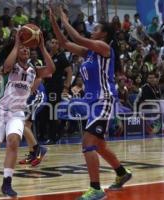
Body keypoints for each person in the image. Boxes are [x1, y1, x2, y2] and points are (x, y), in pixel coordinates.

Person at [49, 7, 132, 200]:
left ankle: (96, 189)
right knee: (100, 145)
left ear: (104, 34)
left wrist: (65, 19)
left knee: (88, 142)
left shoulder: (104, 48)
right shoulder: (90, 53)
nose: (92, 31)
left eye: (96, 29)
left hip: (104, 99)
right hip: (93, 102)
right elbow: (64, 43)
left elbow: (77, 38)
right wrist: (54, 21)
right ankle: (121, 173)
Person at [0, 31, 55, 197]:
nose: (24, 50)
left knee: (13, 142)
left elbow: (51, 69)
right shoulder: (12, 66)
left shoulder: (34, 70)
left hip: (17, 114)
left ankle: (7, 183)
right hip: (1, 112)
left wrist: (42, 46)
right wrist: (17, 43)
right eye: (21, 48)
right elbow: (7, 66)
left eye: (26, 48)